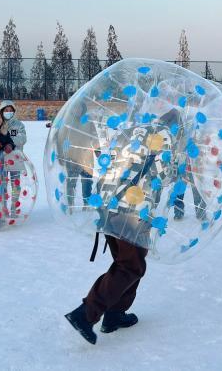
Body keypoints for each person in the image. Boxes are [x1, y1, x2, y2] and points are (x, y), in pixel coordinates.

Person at [64, 109, 178, 345]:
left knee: (128, 263)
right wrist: (177, 164)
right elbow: (162, 174)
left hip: (108, 203)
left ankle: (114, 315)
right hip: (132, 209)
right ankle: (86, 313)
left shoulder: (133, 132)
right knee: (130, 266)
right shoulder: (165, 137)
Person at [0, 100, 28, 217]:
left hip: (16, 159)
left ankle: (14, 207)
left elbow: (22, 139)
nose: (8, 112)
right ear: (1, 111)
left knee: (16, 185)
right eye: (6, 110)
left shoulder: (19, 125)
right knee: (3, 185)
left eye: (11, 110)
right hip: (2, 160)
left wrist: (9, 143)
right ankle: (3, 207)